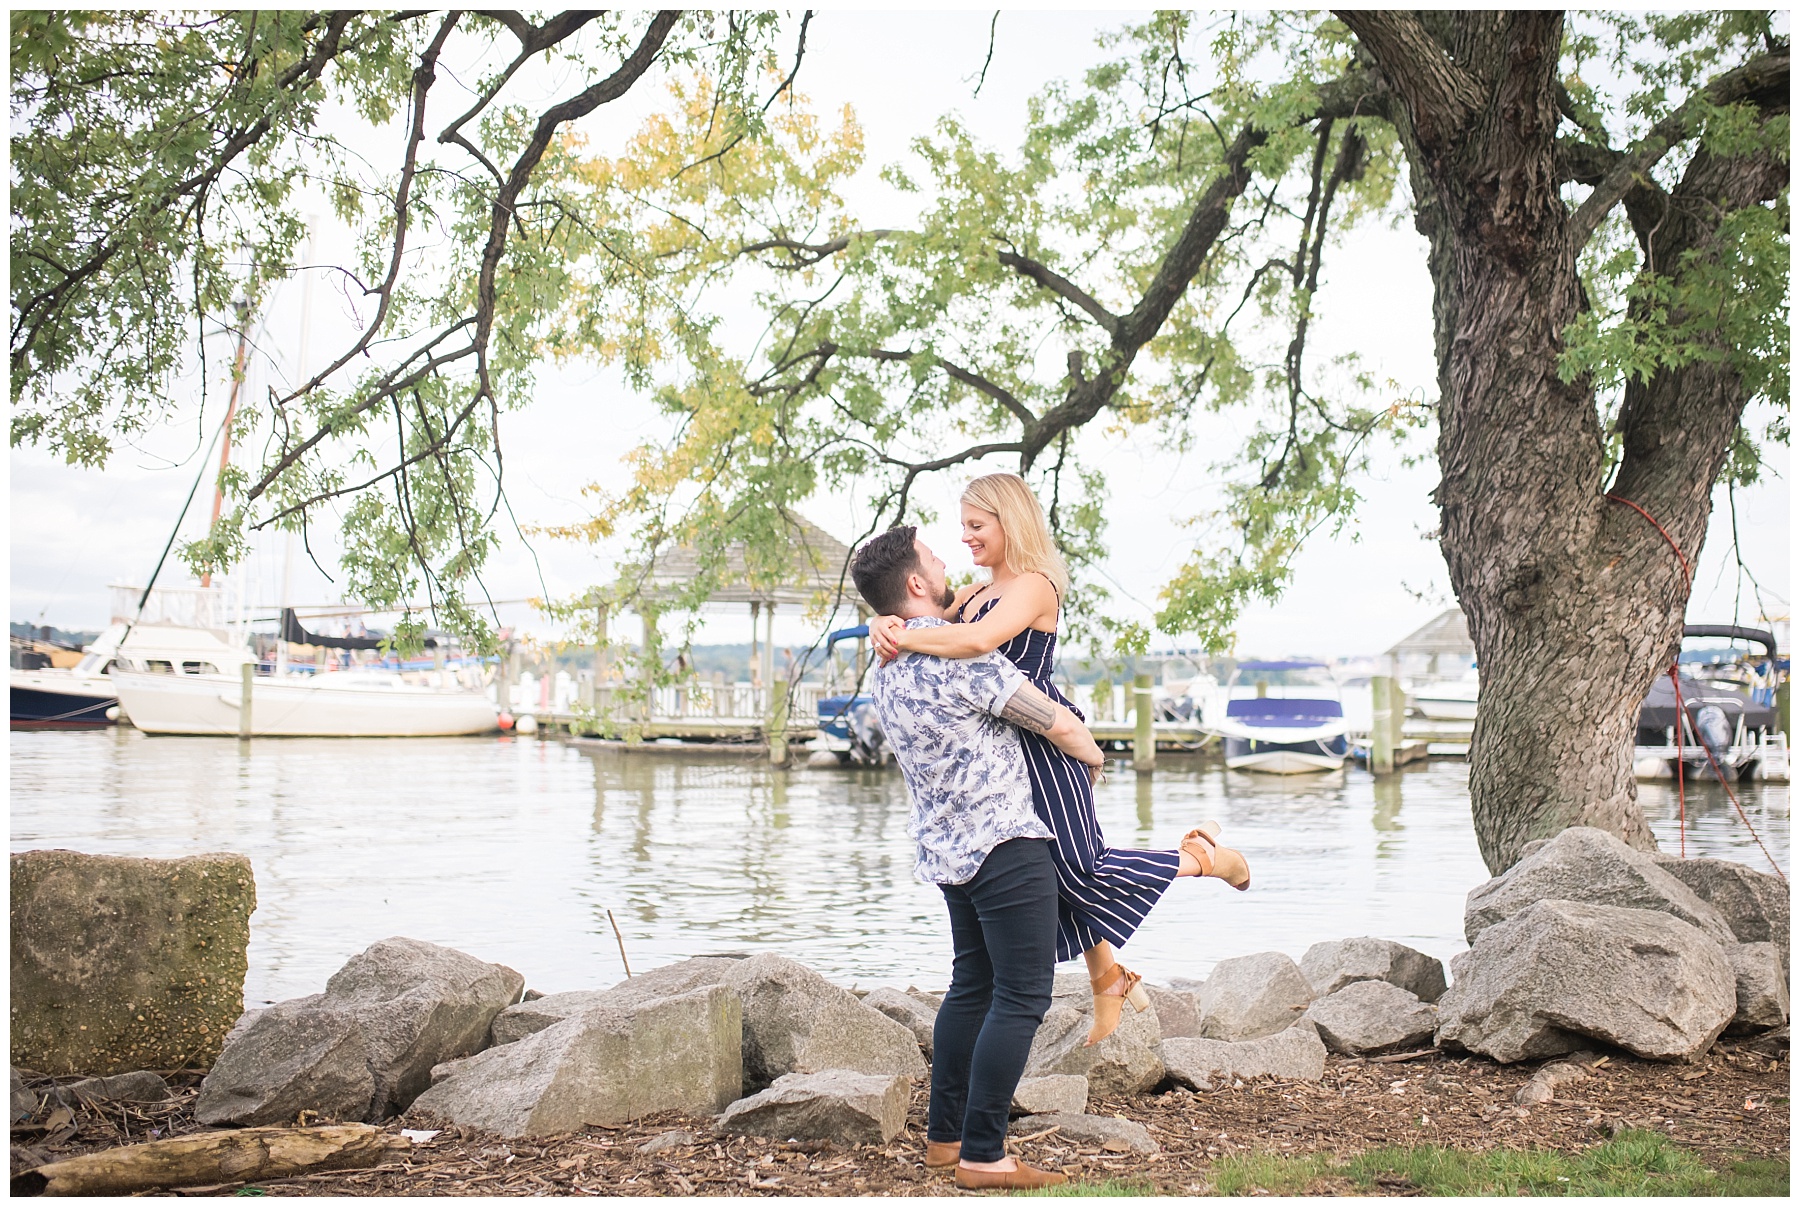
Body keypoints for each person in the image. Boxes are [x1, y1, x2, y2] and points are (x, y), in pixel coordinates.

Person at [868, 472, 1250, 1047]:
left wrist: (901, 637)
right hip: (1004, 750)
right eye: (962, 527)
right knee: (1050, 877)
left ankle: (1198, 857)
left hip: (1045, 742)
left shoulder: (1033, 586)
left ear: (1008, 521)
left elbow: (973, 645)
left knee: (1081, 869)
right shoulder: (970, 594)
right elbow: (926, 622)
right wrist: (884, 620)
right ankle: (1108, 977)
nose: (967, 539)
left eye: (977, 526)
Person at [851, 525, 1098, 1191]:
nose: (948, 561)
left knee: (971, 987)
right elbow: (1053, 720)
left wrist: (888, 625)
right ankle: (985, 1153)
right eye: (935, 558)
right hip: (1006, 842)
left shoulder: (889, 669)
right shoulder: (962, 661)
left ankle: (945, 1138)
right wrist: (1094, 756)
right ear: (915, 585)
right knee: (1023, 995)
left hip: (948, 851)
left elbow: (946, 620)